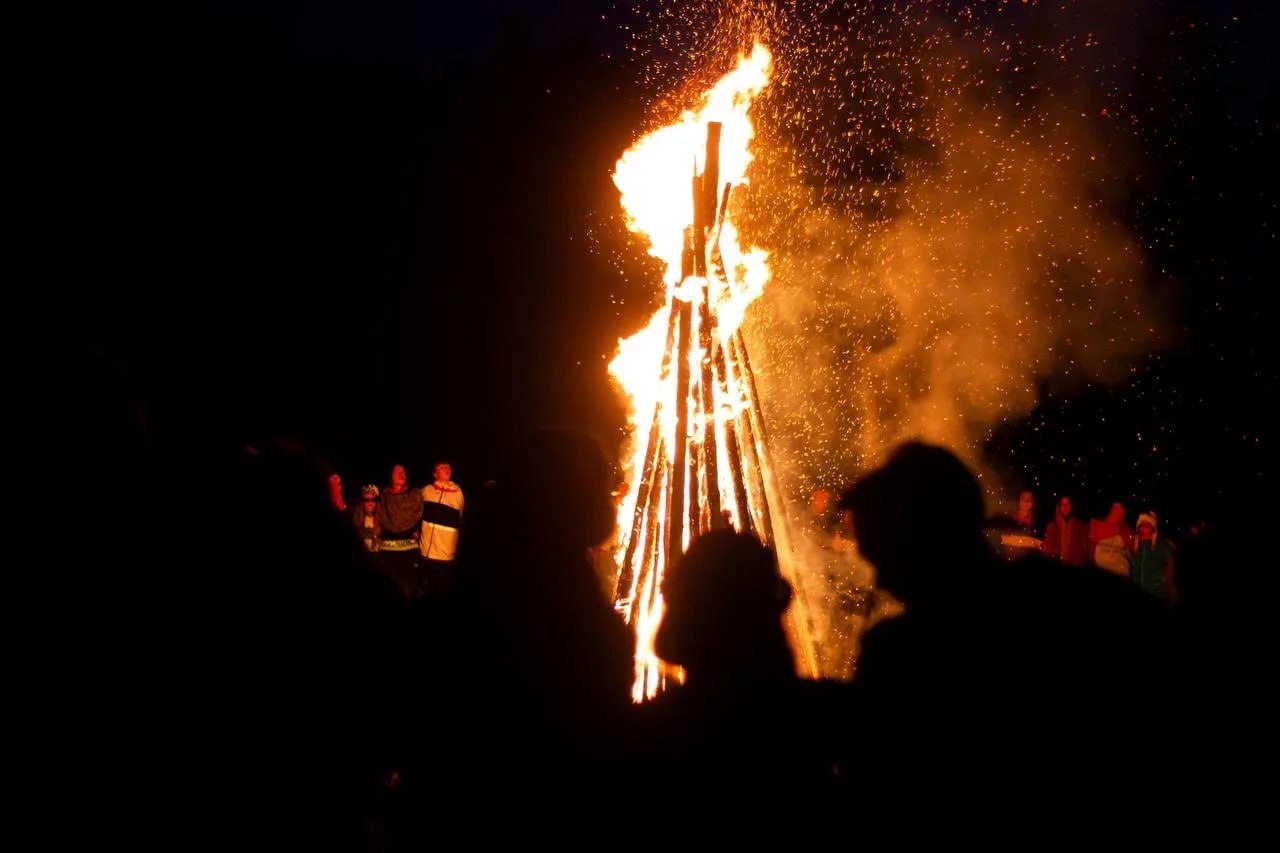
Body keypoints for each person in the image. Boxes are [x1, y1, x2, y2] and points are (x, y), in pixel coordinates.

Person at [420, 461, 464, 595]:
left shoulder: (459, 494)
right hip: (427, 554)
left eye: (448, 467)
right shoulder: (426, 491)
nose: (446, 469)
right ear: (434, 473)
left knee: (444, 594)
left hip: (447, 556)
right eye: (442, 467)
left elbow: (461, 521)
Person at [1130, 512, 1175, 601]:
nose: (1143, 528)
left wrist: (1165, 580)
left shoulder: (1161, 546)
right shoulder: (1134, 546)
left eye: (1147, 525)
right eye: (1141, 525)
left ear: (1153, 529)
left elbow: (1170, 564)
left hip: (1156, 592)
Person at [1089, 502, 1135, 577]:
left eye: (1121, 513)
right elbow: (1092, 548)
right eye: (1116, 511)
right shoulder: (1098, 527)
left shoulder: (1125, 532)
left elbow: (1132, 554)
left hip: (1120, 571)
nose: (1118, 515)